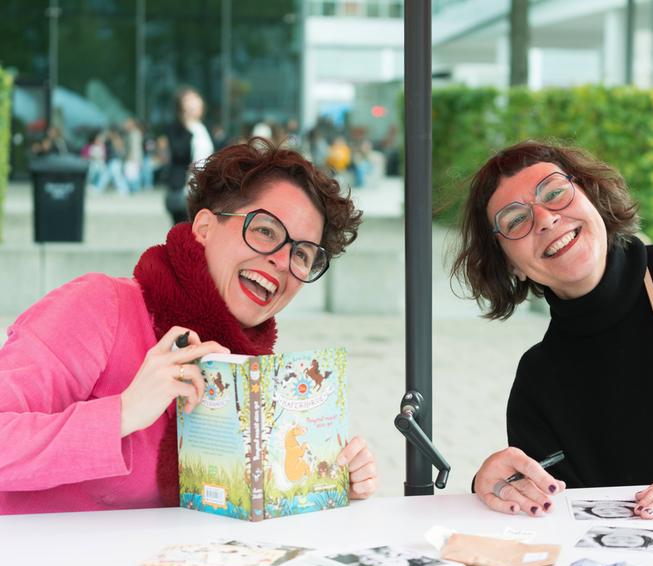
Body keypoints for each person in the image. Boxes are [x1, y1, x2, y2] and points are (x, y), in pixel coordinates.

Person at [0, 138, 378, 514]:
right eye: (265, 231)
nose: (281, 260)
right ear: (203, 227)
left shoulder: (248, 381)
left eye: (302, 254)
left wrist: (324, 479)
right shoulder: (100, 306)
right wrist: (124, 413)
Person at [451, 140, 653, 521]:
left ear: (594, 198)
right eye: (515, 220)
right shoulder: (538, 384)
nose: (545, 218)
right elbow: (555, 526)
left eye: (554, 193)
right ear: (508, 265)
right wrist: (500, 488)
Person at [165, 87, 214, 224]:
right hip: (182, 190)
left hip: (202, 189)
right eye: (188, 100)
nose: (193, 103)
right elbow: (179, 152)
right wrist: (187, 125)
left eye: (195, 99)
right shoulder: (177, 129)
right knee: (183, 233)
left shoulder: (204, 128)